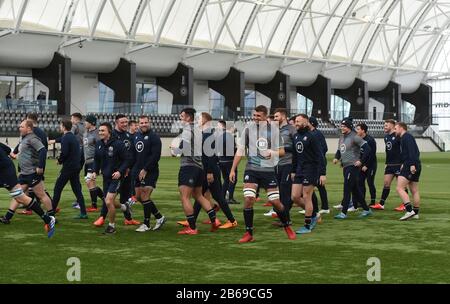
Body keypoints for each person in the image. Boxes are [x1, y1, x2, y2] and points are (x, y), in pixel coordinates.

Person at [229, 105, 296, 243]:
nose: (255, 118)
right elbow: (240, 150)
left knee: (275, 202)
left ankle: (287, 225)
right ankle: (249, 233)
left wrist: (274, 153)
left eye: (258, 116)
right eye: (254, 115)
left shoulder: (274, 131)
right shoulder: (248, 129)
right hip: (251, 169)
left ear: (265, 116)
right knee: (248, 199)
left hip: (268, 170)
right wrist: (232, 169)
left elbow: (283, 151)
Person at [176, 113, 238, 229]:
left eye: (199, 118)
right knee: (199, 195)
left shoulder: (209, 133)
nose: (198, 120)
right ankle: (192, 219)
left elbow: (211, 154)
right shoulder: (204, 133)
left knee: (217, 196)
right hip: (204, 169)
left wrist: (209, 172)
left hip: (210, 169)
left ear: (205, 120)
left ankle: (232, 220)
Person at [170, 108, 219, 235]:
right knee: (199, 196)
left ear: (188, 118)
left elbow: (184, 147)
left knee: (185, 197)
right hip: (199, 167)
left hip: (188, 167)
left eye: (182, 116)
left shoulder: (187, 130)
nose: (180, 118)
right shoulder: (198, 130)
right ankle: (214, 221)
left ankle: (192, 227)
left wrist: (174, 151)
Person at [0, 120, 55, 222]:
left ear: (29, 128)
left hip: (32, 172)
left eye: (21, 126)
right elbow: (17, 150)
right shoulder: (24, 138)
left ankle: (52, 217)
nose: (19, 128)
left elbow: (43, 150)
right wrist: (15, 154)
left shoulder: (33, 138)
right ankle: (7, 217)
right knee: (18, 195)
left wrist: (40, 166)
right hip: (24, 173)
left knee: (41, 194)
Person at [0, 141, 56, 238]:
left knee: (20, 198)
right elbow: (8, 150)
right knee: (19, 197)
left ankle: (48, 219)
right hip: (6, 168)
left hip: (5, 172)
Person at [93, 114, 140, 227]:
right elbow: (100, 157)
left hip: (126, 170)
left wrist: (128, 168)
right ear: (116, 123)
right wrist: (96, 170)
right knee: (108, 198)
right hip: (114, 172)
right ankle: (102, 217)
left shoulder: (129, 136)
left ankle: (128, 219)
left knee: (124, 196)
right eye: (122, 122)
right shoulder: (111, 136)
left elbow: (131, 154)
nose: (125, 124)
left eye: (126, 122)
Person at [291, 114, 326, 234]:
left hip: (311, 169)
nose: (296, 123)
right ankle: (314, 214)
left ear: (306, 123)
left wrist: (322, 173)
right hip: (300, 170)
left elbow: (320, 156)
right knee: (295, 197)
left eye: (298, 121)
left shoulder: (312, 136)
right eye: (295, 121)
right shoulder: (295, 136)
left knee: (306, 196)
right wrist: (293, 170)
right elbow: (295, 156)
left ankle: (307, 225)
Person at [333, 117, 373, 219]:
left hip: (353, 166)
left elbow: (368, 149)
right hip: (346, 166)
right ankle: (367, 209)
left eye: (344, 126)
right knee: (355, 189)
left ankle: (343, 212)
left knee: (347, 188)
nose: (342, 128)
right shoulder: (341, 137)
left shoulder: (355, 137)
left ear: (349, 127)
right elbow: (339, 150)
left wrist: (361, 161)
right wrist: (336, 158)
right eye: (341, 126)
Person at [132, 115, 166, 232]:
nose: (144, 124)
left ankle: (146, 224)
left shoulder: (154, 137)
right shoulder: (136, 136)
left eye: (146, 122)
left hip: (150, 171)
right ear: (138, 124)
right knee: (138, 197)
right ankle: (159, 217)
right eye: (141, 123)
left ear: (149, 122)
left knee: (145, 195)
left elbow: (156, 156)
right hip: (137, 170)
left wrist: (145, 169)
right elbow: (134, 155)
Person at [51, 119, 87, 219]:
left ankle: (51, 212)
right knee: (77, 190)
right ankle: (83, 212)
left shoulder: (66, 138)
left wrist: (59, 160)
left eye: (60, 125)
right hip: (75, 166)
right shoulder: (73, 137)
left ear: (63, 126)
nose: (60, 127)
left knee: (57, 188)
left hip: (68, 167)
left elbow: (65, 152)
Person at [266, 108, 296, 225]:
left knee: (285, 193)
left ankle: (286, 220)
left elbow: (297, 147)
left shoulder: (291, 129)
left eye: (277, 117)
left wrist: (283, 149)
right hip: (276, 165)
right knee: (277, 193)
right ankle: (283, 217)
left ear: (283, 117)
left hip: (288, 164)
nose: (275, 119)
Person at [371, 119, 404, 211]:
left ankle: (404, 204)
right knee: (386, 184)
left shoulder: (398, 136)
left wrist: (403, 163)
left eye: (386, 125)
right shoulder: (386, 137)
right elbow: (388, 151)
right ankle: (381, 204)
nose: (384, 127)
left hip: (399, 164)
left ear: (393, 126)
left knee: (401, 185)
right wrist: (386, 163)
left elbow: (403, 150)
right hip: (390, 164)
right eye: (384, 125)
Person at [395, 122, 421, 221]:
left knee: (399, 188)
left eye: (396, 128)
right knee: (414, 190)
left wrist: (412, 164)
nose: (395, 130)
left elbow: (413, 152)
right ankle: (416, 213)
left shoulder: (407, 137)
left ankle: (409, 211)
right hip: (412, 164)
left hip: (410, 165)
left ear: (401, 128)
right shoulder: (405, 138)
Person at [309, 116, 330, 214]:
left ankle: (323, 207)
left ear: (312, 123)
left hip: (318, 163)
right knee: (318, 185)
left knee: (319, 185)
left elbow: (324, 148)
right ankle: (322, 207)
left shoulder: (317, 134)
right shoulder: (311, 133)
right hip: (314, 163)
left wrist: (317, 155)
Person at [83, 115, 103, 212]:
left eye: (86, 121)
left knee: (89, 181)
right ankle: (104, 198)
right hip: (87, 161)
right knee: (91, 183)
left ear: (91, 123)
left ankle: (94, 206)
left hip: (94, 161)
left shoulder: (97, 134)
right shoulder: (86, 132)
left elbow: (100, 148)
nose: (84, 123)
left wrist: (99, 164)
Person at [216, 120, 239, 204]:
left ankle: (222, 197)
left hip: (221, 160)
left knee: (226, 179)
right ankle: (230, 197)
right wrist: (237, 150)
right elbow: (232, 150)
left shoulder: (220, 136)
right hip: (229, 161)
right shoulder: (229, 136)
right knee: (233, 179)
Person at [355, 123, 377, 206]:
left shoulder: (370, 140)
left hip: (371, 165)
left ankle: (373, 202)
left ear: (363, 130)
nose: (356, 131)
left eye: (358, 129)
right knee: (360, 182)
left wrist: (366, 165)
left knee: (370, 182)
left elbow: (372, 154)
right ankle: (361, 201)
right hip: (361, 164)